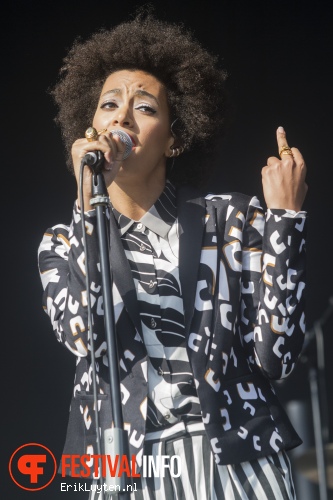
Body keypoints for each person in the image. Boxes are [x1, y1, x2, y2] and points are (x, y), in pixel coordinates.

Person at [38, 8, 308, 500]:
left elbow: (279, 356)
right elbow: (81, 335)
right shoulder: (61, 241)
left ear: (176, 138)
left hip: (235, 457)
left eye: (144, 107)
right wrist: (86, 206)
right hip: (117, 466)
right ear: (91, 125)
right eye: (108, 105)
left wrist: (285, 220)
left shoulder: (228, 220)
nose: (121, 117)